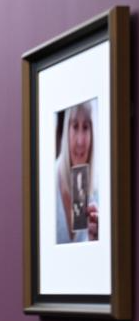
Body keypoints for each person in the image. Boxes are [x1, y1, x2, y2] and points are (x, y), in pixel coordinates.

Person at [56, 101, 98, 243]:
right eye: (75, 126)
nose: (80, 141)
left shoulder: (98, 195)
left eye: (85, 127)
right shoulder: (46, 182)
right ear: (66, 130)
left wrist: (96, 241)